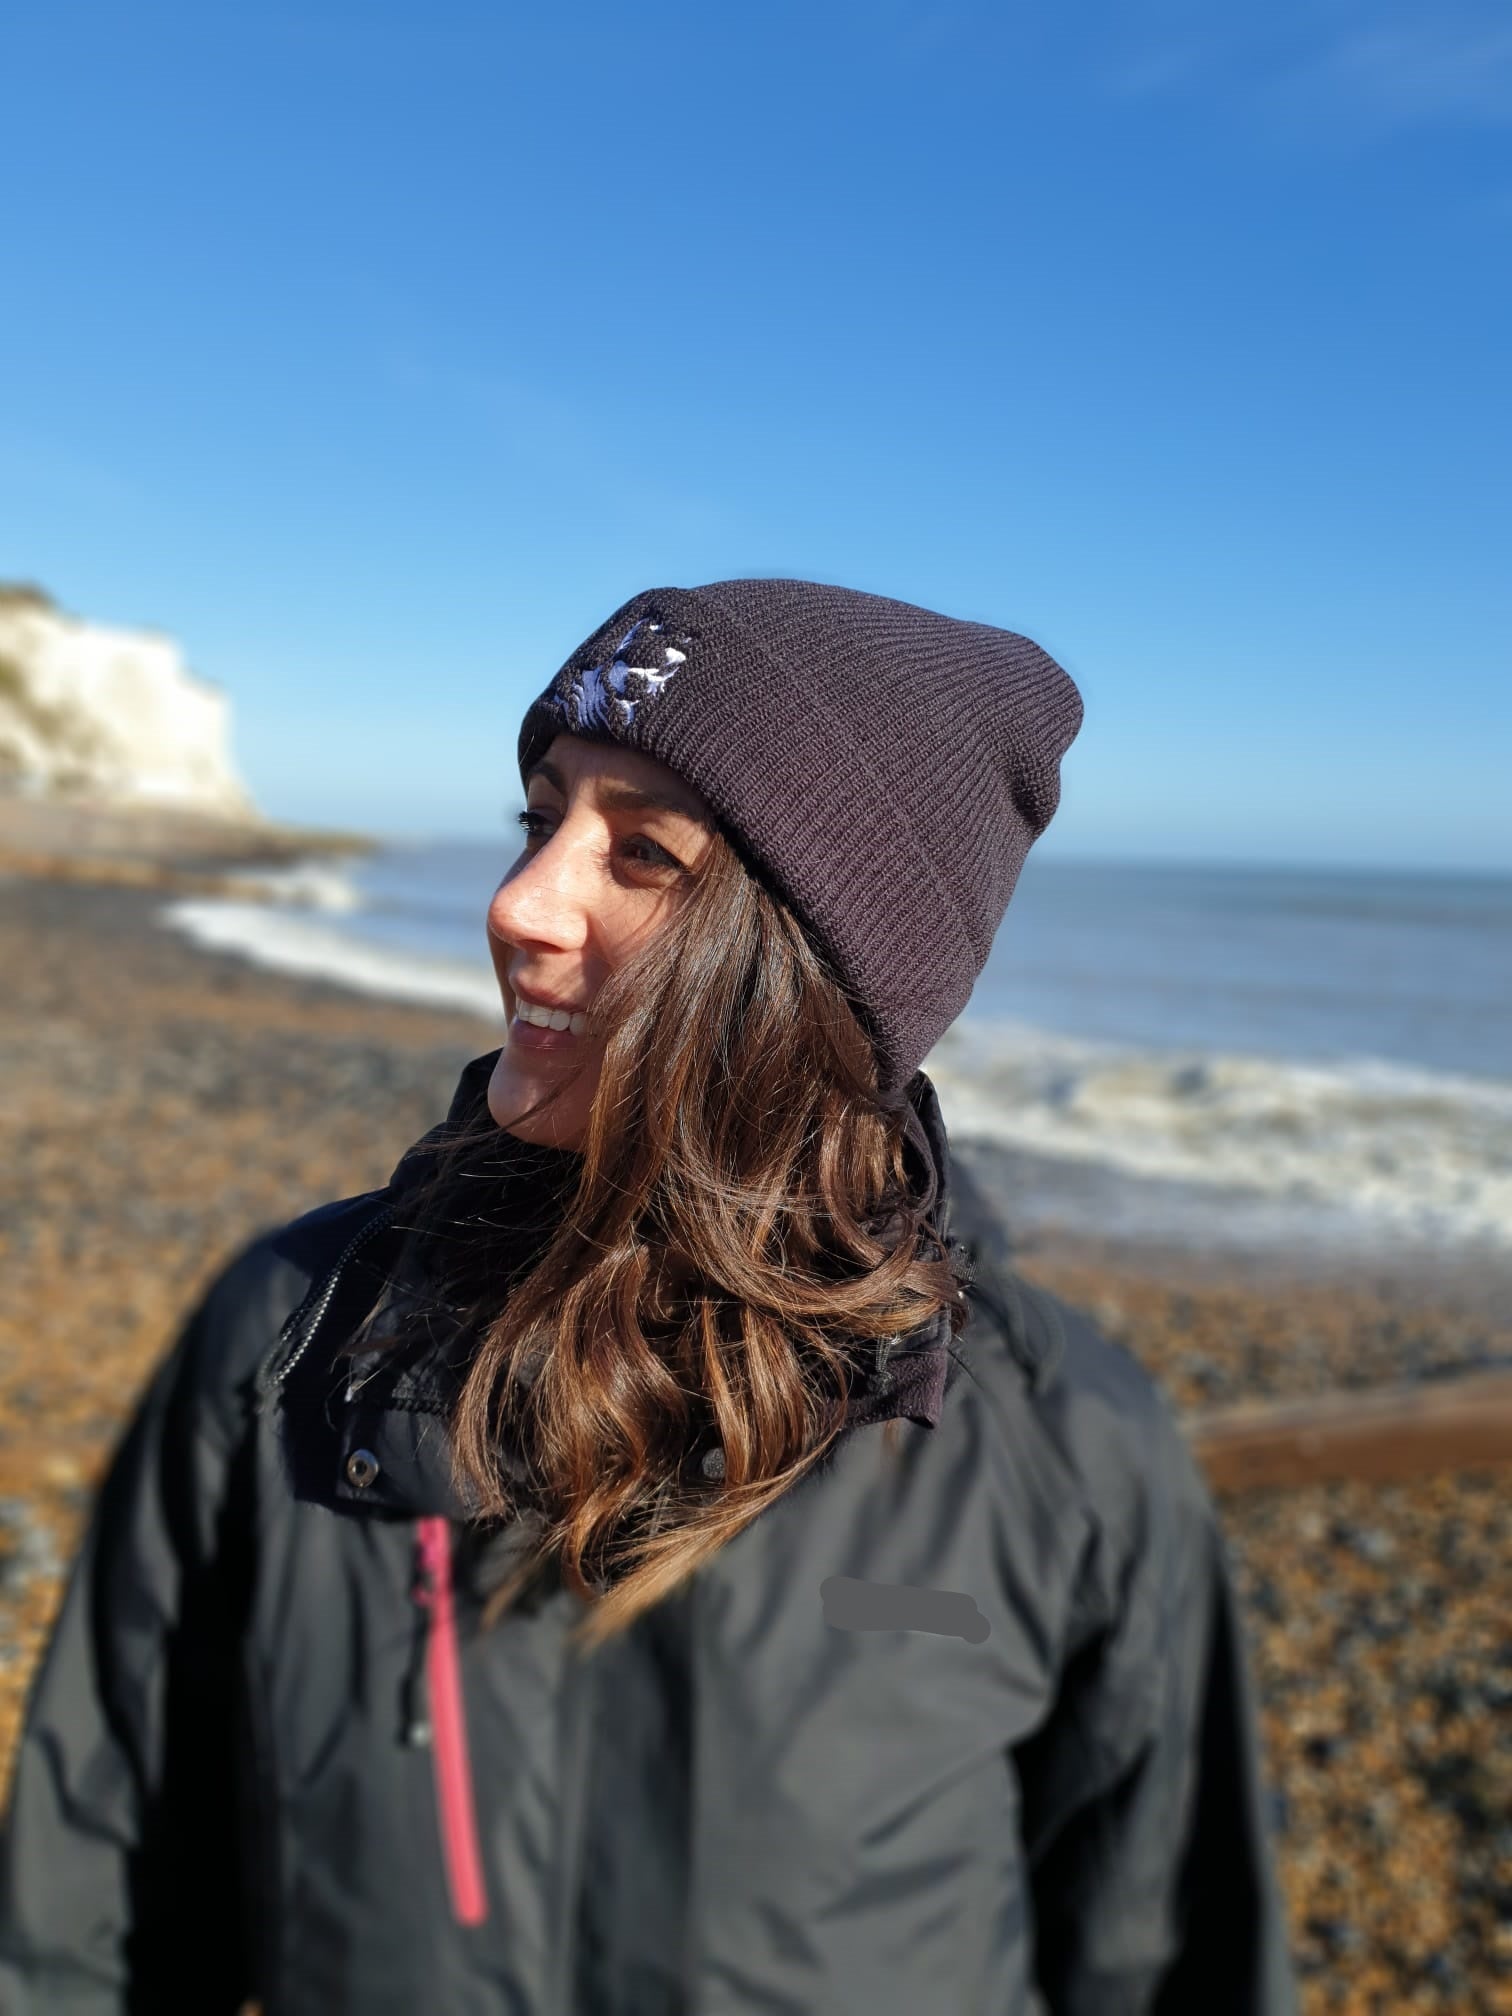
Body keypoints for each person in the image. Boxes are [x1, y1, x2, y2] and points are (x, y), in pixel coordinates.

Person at [0, 578, 1298, 2014]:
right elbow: (83, 1928)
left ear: (824, 968)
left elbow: (1170, 1967)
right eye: (540, 818)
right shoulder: (296, 1343)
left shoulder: (1063, 1453)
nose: (519, 902)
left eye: (644, 855)